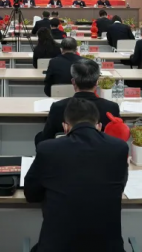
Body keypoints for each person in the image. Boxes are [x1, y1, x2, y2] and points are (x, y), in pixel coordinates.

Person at [25, 98, 128, 252]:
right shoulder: (119, 148)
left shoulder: (47, 149)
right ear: (99, 126)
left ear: (65, 127)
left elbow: (31, 194)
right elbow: (120, 186)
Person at [35, 58, 121, 145]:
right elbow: (117, 140)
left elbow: (45, 139)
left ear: (73, 82)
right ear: (97, 82)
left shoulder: (58, 107)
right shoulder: (112, 108)